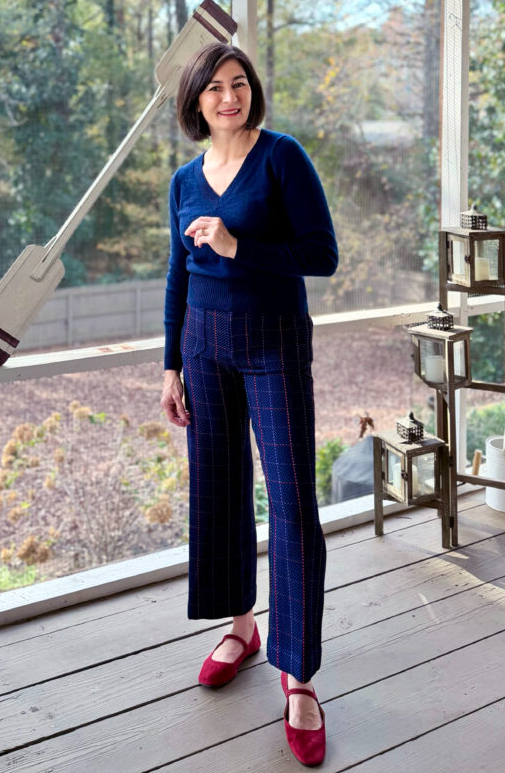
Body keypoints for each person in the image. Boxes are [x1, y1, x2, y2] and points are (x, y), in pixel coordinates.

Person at [160, 41, 338, 766]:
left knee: (293, 502)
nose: (228, 96)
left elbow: (321, 254)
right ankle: (243, 626)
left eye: (239, 84)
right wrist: (170, 363)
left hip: (271, 341)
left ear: (250, 93)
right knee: (221, 491)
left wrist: (240, 246)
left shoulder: (282, 158)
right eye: (214, 88)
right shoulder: (183, 179)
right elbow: (176, 272)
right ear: (197, 101)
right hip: (203, 344)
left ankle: (298, 675)